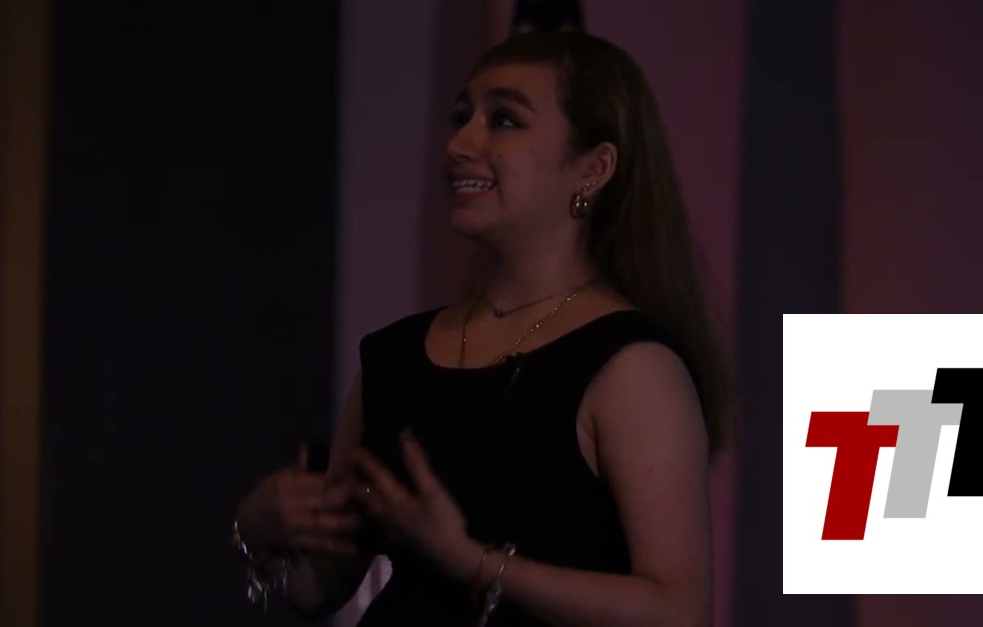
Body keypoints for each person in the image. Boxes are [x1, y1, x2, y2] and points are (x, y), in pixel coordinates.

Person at [234, 29, 732, 626]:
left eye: (504, 121)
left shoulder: (631, 365)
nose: (460, 144)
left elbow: (679, 613)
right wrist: (260, 527)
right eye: (461, 118)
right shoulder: (395, 357)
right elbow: (321, 589)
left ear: (593, 169)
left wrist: (473, 562)